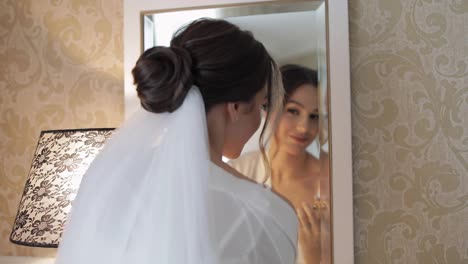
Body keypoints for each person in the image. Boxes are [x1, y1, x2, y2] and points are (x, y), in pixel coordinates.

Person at [54, 18, 297, 264]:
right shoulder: (263, 213)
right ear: (235, 107)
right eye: (262, 105)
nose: (260, 119)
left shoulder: (114, 182)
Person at [230, 64, 321, 264]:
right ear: (268, 110)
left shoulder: (329, 181)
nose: (304, 127)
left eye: (314, 116)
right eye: (293, 111)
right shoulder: (238, 171)